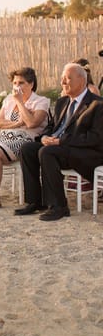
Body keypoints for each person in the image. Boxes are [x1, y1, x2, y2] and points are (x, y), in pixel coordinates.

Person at [15, 63, 103, 221]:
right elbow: (51, 127)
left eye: (68, 78)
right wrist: (44, 138)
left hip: (85, 152)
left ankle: (59, 206)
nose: (63, 82)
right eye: (62, 78)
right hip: (59, 147)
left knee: (46, 152)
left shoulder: (97, 104)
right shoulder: (63, 102)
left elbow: (95, 138)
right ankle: (36, 201)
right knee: (27, 148)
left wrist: (61, 141)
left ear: (82, 81)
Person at [0, 67, 50, 210]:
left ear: (31, 84)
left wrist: (20, 102)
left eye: (21, 83)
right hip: (4, 136)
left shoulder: (41, 101)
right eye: (15, 83)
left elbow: (32, 123)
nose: (17, 87)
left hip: (25, 140)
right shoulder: (9, 99)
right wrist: (19, 123)